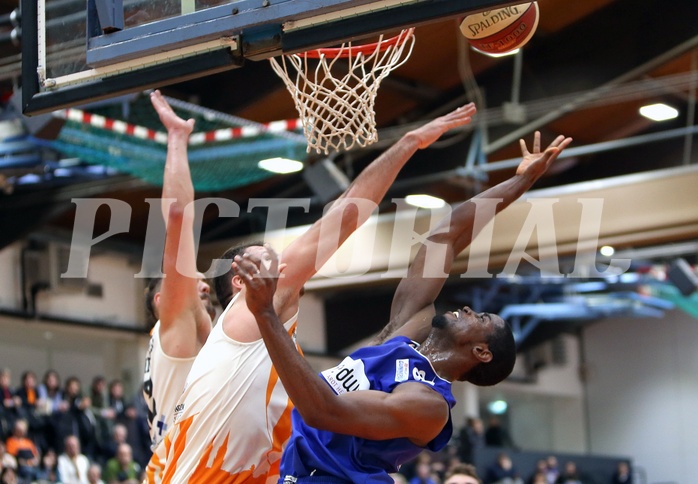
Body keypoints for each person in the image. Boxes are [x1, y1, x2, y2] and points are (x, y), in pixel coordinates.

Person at [150, 102, 480, 482]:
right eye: (267, 259)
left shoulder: (280, 359)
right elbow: (344, 216)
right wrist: (408, 143)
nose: (284, 262)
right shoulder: (245, 319)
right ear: (239, 284)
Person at [236, 131, 572, 483]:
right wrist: (520, 182)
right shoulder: (407, 332)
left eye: (482, 317)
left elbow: (322, 411)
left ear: (481, 352)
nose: (470, 310)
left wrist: (266, 314)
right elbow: (448, 235)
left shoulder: (429, 407)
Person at [141, 90, 217, 456]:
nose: (203, 282)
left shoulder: (180, 337)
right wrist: (176, 140)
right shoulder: (174, 323)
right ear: (162, 300)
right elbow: (178, 221)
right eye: (193, 278)